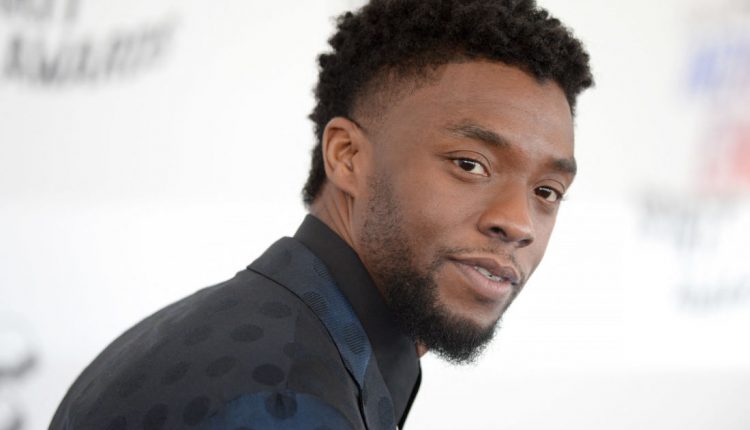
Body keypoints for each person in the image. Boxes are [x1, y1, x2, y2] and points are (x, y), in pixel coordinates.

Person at [50, 0, 593, 428]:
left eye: (547, 192)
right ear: (347, 157)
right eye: (470, 164)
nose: (518, 223)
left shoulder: (230, 336)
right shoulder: (283, 401)